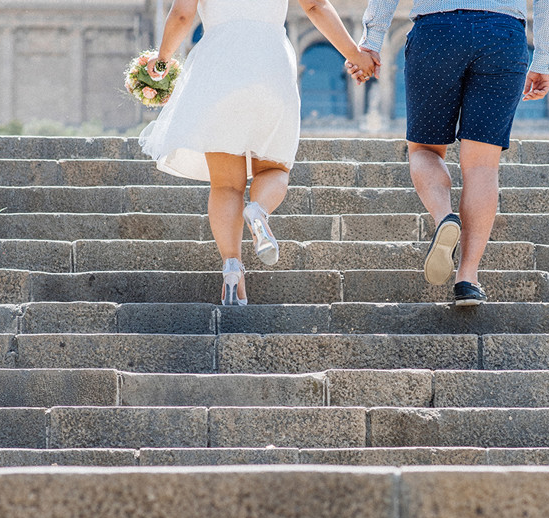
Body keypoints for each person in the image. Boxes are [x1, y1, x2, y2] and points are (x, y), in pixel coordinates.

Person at [140, 0, 376, 305]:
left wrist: (162, 60)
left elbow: (182, 14)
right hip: (270, 62)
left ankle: (232, 267)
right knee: (273, 170)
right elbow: (316, 5)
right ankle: (259, 210)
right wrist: (355, 54)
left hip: (217, 66)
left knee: (226, 185)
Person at [348, 0, 549, 306]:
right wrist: (543, 58)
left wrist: (371, 41)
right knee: (482, 166)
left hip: (438, 31)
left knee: (425, 150)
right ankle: (468, 278)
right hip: (502, 35)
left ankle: (444, 217)